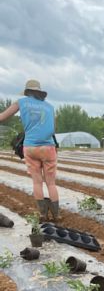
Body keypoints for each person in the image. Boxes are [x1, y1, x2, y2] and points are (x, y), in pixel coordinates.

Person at [0, 79, 60, 222]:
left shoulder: (21, 102)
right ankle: (57, 215)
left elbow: (2, 117)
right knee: (51, 183)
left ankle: (42, 214)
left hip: (31, 146)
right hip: (48, 147)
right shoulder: (50, 107)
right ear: (40, 92)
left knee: (37, 182)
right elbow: (53, 128)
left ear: (27, 92)